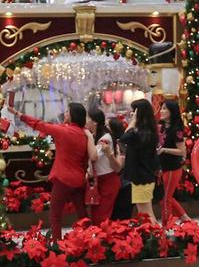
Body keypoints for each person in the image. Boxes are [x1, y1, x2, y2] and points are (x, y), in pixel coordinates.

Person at [8, 102, 97, 239]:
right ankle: (90, 238)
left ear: (72, 115)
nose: (65, 114)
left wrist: (18, 114)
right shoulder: (84, 134)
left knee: (55, 215)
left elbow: (38, 124)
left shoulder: (62, 131)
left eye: (67, 112)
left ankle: (57, 244)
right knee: (82, 213)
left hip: (63, 179)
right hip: (79, 180)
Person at [119, 99, 160, 220]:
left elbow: (124, 138)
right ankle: (156, 235)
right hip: (145, 176)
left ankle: (155, 236)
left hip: (140, 177)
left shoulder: (140, 133)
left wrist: (133, 121)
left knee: (145, 213)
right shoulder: (148, 131)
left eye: (133, 112)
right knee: (147, 212)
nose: (131, 114)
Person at [157, 99, 189, 226]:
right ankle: (186, 219)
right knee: (166, 198)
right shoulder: (163, 127)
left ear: (172, 112)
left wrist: (164, 150)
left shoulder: (176, 130)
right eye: (162, 108)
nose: (161, 111)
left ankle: (167, 227)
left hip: (172, 168)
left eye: (165, 109)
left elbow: (182, 151)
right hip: (164, 167)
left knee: (166, 199)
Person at [87, 107, 122, 222]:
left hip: (108, 180)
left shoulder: (105, 138)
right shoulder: (97, 136)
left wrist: (88, 136)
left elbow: (93, 156)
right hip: (100, 180)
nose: (85, 120)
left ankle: (103, 239)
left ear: (95, 122)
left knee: (101, 216)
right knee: (96, 214)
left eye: (88, 118)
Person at [108, 116, 134, 221]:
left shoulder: (119, 144)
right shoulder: (119, 142)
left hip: (124, 185)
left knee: (121, 216)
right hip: (123, 184)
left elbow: (120, 165)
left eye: (106, 126)